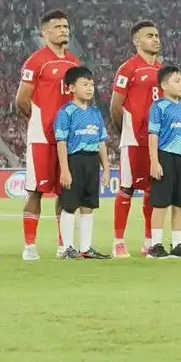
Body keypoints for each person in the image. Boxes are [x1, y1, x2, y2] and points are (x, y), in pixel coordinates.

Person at [15, 9, 78, 262]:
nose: (64, 30)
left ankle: (64, 246)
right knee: (35, 191)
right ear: (45, 32)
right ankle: (30, 246)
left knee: (66, 191)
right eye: (58, 27)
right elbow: (21, 100)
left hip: (68, 139)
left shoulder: (74, 62)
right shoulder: (36, 61)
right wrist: (40, 121)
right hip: (42, 136)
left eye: (66, 26)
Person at [109, 20, 162, 258]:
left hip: (158, 141)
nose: (156, 39)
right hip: (133, 140)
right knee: (127, 189)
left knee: (153, 191)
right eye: (150, 35)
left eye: (157, 35)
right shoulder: (128, 68)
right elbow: (115, 106)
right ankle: (118, 242)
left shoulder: (163, 71)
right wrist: (127, 132)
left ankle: (149, 242)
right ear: (137, 41)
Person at [55, 66, 110, 260]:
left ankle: (86, 248)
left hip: (92, 160)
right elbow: (61, 142)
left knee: (88, 205)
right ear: (71, 88)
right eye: (84, 84)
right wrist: (64, 170)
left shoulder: (95, 113)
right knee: (69, 205)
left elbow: (101, 141)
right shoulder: (66, 112)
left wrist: (106, 168)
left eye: (92, 84)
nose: (89, 88)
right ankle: (67, 248)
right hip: (74, 160)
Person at [146, 65, 181, 259]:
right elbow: (153, 135)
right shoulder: (159, 107)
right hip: (165, 156)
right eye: (177, 81)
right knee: (161, 203)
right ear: (164, 85)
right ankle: (156, 245)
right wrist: (154, 161)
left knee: (179, 204)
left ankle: (177, 245)